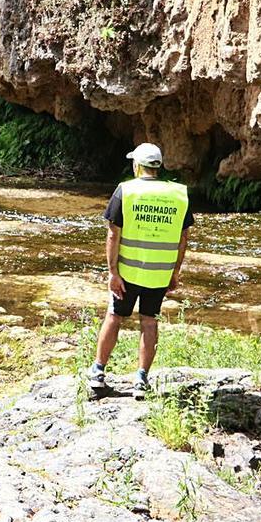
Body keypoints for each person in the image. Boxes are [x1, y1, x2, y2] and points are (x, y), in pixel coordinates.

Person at [87, 142, 193, 397]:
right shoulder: (179, 194)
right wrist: (174, 272)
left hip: (127, 273)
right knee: (149, 321)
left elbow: (113, 235)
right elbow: (183, 238)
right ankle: (141, 381)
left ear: (137, 165)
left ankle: (98, 374)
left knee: (114, 317)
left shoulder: (126, 191)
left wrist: (113, 273)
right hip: (159, 274)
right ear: (158, 167)